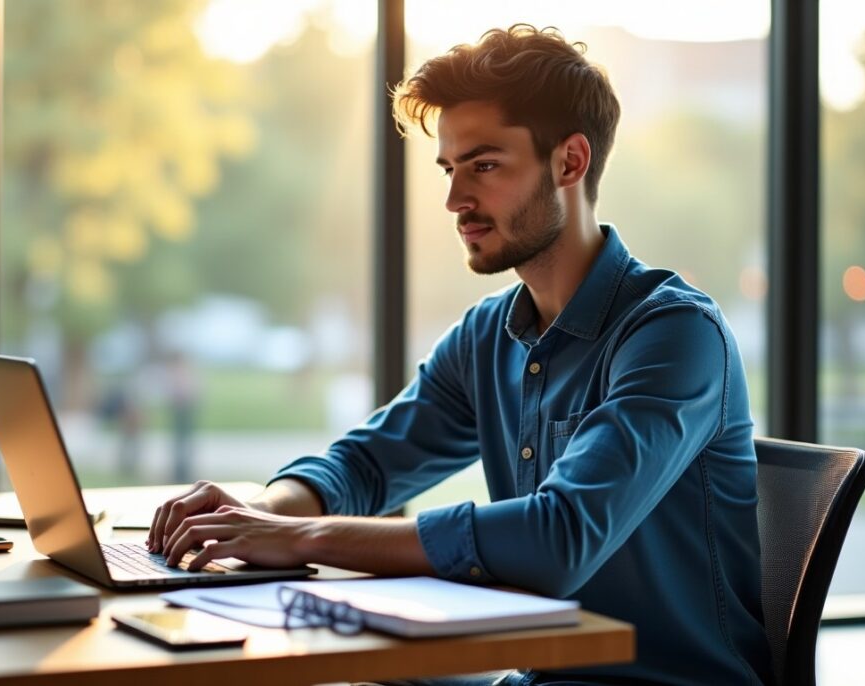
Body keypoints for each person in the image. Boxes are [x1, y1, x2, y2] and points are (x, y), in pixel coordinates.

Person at [148, 25, 772, 685]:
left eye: (484, 165)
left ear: (570, 162)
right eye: (450, 170)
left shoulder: (673, 333)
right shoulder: (487, 336)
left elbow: (558, 538)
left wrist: (303, 539)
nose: (454, 202)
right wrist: (259, 516)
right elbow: (364, 463)